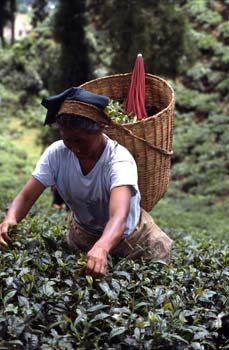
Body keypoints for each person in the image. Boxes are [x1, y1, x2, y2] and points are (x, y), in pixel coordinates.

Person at [0, 87, 173, 278]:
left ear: (100, 128)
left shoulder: (118, 161)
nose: (75, 147)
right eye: (68, 139)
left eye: (81, 141)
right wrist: (11, 219)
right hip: (83, 236)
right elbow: (26, 197)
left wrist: (102, 247)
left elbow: (119, 216)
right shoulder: (56, 154)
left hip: (133, 241)